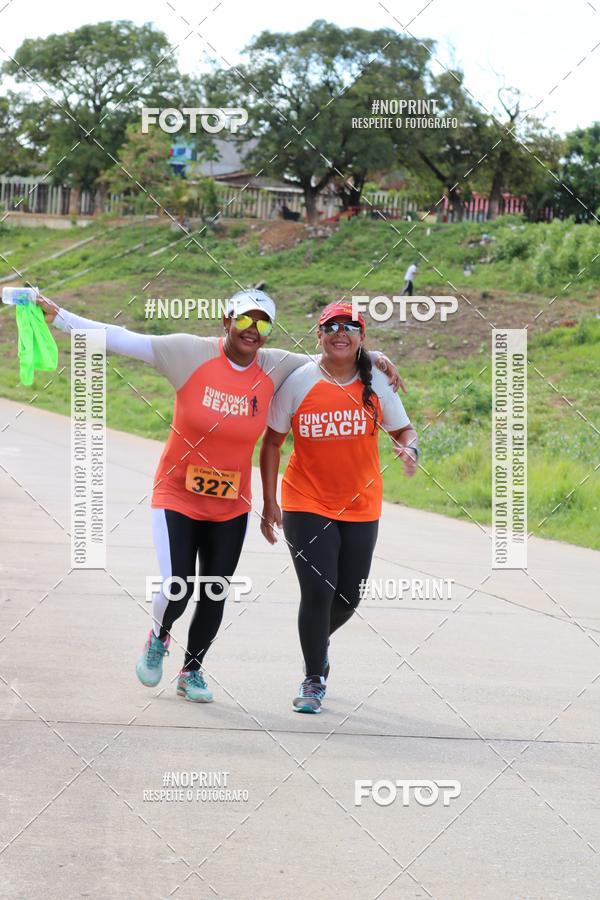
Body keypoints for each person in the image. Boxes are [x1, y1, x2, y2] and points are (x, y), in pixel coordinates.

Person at [36, 289, 403, 703]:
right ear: (226, 320)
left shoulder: (275, 365)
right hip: (178, 493)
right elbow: (122, 337)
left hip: (230, 503)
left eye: (262, 323)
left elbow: (334, 358)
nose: (252, 329)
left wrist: (374, 359)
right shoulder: (187, 353)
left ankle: (191, 671)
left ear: (268, 333)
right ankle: (159, 636)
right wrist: (60, 316)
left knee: (214, 588)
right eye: (244, 319)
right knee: (178, 585)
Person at [260, 300, 418, 714]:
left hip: (362, 504)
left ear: (361, 337)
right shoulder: (299, 381)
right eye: (331, 327)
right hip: (305, 501)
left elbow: (402, 428)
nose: (340, 333)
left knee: (348, 597)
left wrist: (410, 448)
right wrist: (269, 500)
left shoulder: (377, 383)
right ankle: (314, 677)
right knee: (318, 591)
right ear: (319, 336)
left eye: (349, 327)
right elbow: (273, 442)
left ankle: (317, 642)